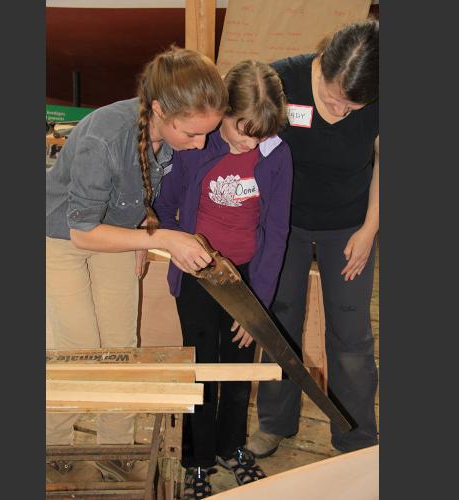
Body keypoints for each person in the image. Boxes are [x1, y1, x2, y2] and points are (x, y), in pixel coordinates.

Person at [45, 47, 228, 479]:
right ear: (161, 109)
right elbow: (82, 231)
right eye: (193, 134)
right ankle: (55, 449)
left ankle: (116, 450)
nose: (199, 144)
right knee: (77, 350)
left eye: (207, 134)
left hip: (118, 235)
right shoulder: (103, 138)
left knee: (121, 347)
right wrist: (161, 236)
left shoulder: (165, 131)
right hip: (63, 237)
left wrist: (143, 229)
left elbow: (143, 188)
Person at [154, 60, 291, 499]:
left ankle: (232, 447)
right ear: (221, 110)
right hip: (198, 276)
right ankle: (196, 458)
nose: (247, 141)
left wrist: (260, 303)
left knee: (235, 370)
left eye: (258, 135)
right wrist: (174, 244)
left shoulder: (276, 155)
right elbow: (164, 205)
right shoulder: (197, 147)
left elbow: (276, 231)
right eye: (240, 129)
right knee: (201, 369)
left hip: (245, 279)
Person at [246, 19, 380, 457]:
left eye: (352, 108)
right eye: (332, 99)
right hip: (286, 221)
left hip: (350, 224)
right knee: (280, 325)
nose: (340, 112)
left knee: (351, 335)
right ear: (321, 65)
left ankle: (356, 436)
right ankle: (274, 422)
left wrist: (369, 229)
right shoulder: (280, 80)